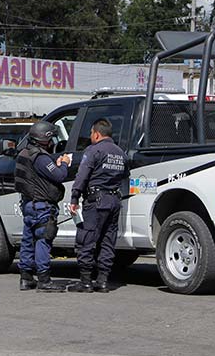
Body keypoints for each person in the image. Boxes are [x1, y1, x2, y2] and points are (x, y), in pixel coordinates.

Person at [68, 119, 130, 293]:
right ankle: (103, 281)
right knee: (107, 242)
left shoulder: (94, 150)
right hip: (114, 201)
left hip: (96, 202)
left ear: (96, 134)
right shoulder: (121, 153)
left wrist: (74, 198)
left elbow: (82, 176)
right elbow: (125, 175)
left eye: (90, 134)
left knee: (86, 240)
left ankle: (85, 282)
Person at [14, 121, 71, 292]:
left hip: (29, 204)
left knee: (28, 240)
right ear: (45, 138)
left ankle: (26, 278)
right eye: (52, 137)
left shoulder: (24, 153)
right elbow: (59, 175)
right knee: (43, 239)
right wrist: (64, 163)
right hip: (42, 206)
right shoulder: (40, 157)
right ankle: (44, 280)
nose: (54, 141)